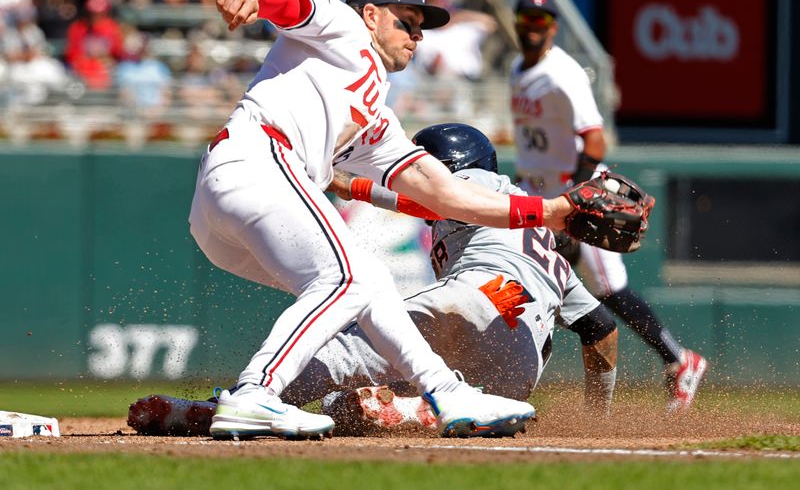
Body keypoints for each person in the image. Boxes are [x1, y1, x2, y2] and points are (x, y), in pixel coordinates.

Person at [187, 0, 576, 440]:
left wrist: (552, 211)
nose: (416, 36)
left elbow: (447, 196)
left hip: (226, 206)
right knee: (347, 279)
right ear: (371, 15)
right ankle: (256, 392)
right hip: (258, 160)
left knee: (369, 284)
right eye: (406, 21)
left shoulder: (375, 117)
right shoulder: (346, 28)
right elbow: (288, 2)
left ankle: (446, 392)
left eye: (420, 27)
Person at [128, 123, 619, 437]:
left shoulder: (476, 188)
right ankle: (406, 412)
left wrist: (345, 183)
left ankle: (231, 405)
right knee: (359, 403)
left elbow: (430, 197)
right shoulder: (542, 241)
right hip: (520, 356)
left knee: (347, 343)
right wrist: (597, 421)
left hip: (478, 296)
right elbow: (602, 330)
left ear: (448, 168)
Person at [509, 0, 707, 411]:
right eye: (526, 20)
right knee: (535, 277)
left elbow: (594, 140)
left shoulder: (563, 72)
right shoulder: (516, 68)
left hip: (573, 193)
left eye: (540, 21)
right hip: (538, 190)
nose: (533, 28)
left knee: (607, 287)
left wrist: (576, 198)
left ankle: (679, 359)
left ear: (553, 27)